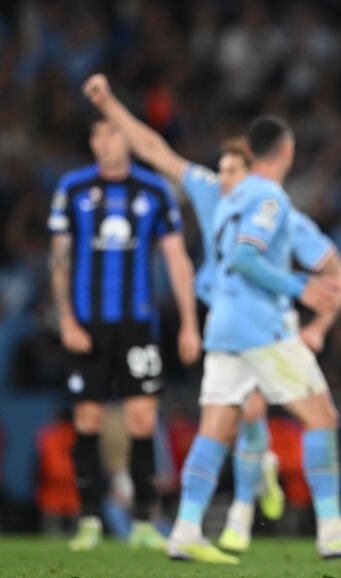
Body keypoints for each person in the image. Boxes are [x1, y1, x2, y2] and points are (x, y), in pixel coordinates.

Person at [82, 73, 341, 552]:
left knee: (224, 424)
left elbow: (337, 274)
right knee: (301, 416)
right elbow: (155, 149)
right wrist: (110, 105)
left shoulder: (262, 207)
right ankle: (312, 522)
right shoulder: (240, 196)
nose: (224, 179)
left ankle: (203, 523)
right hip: (256, 323)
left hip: (237, 324)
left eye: (232, 170)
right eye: (221, 170)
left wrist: (320, 324)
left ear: (251, 166)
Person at [162, 115, 341, 563]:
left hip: (223, 328)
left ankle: (186, 529)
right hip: (262, 326)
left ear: (248, 155)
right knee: (321, 417)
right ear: (287, 151)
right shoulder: (268, 196)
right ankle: (331, 529)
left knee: (215, 429)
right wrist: (299, 287)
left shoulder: (229, 199)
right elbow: (246, 258)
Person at [49, 112, 201, 552]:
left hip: (138, 323)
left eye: (114, 132)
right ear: (91, 141)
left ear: (129, 139)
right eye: (98, 134)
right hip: (88, 325)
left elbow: (176, 259)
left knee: (142, 420)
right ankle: (89, 519)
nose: (106, 141)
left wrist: (189, 324)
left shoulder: (153, 190)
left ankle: (144, 520)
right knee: (88, 420)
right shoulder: (73, 188)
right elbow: (59, 259)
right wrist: (66, 320)